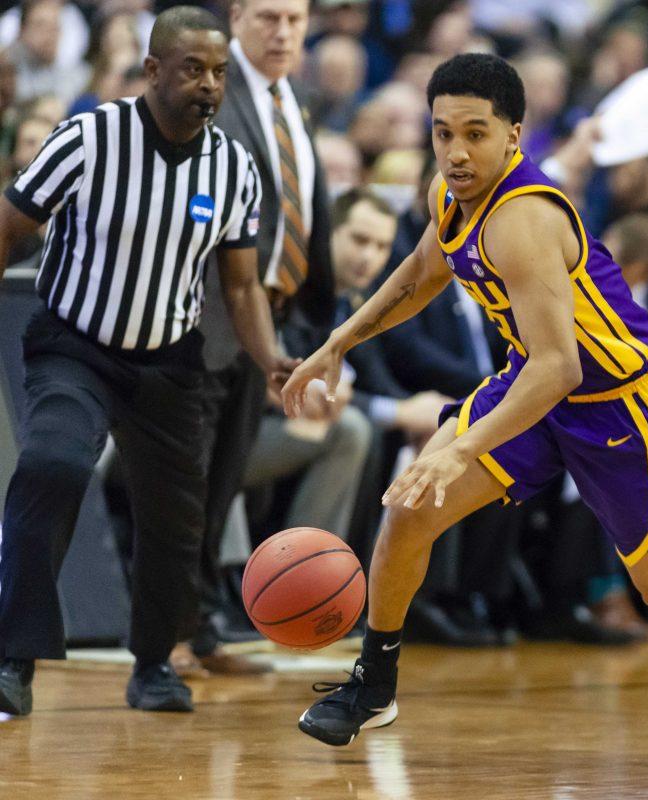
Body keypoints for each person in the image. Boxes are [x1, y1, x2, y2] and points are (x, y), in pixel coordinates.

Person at [282, 53, 648, 746]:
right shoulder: (449, 195)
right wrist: (339, 342)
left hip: (622, 405)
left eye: (475, 132)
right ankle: (374, 684)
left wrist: (463, 448)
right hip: (534, 381)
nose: (455, 150)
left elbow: (560, 367)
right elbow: (422, 272)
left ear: (514, 134)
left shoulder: (524, 217)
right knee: (409, 510)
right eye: (443, 132)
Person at [0, 6, 290, 716]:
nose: (209, 85)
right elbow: (9, 228)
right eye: (193, 69)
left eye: (220, 72)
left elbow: (243, 285)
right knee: (53, 466)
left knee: (178, 518)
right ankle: (13, 658)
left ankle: (155, 663)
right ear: (153, 70)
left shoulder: (234, 167)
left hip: (169, 361)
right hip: (76, 346)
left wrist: (275, 361)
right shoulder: (88, 137)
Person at [187, 0, 337, 672]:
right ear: (236, 17)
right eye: (267, 17)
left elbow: (308, 214)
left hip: (271, 318)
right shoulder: (208, 90)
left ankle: (198, 626)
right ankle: (169, 631)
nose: (282, 33)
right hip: (204, 320)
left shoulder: (294, 98)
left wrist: (313, 327)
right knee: (188, 483)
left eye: (295, 21)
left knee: (222, 482)